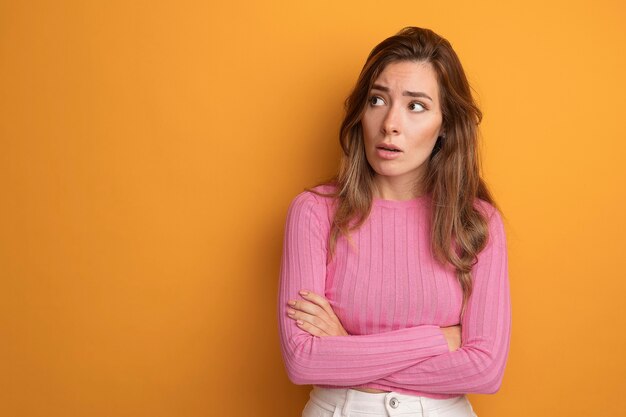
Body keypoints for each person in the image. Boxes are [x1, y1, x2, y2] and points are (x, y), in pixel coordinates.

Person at [277, 27, 510, 417]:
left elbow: (484, 371)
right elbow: (303, 361)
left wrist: (345, 348)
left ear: (445, 125)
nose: (390, 124)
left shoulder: (477, 222)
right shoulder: (314, 212)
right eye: (378, 100)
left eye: (415, 106)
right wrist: (438, 340)